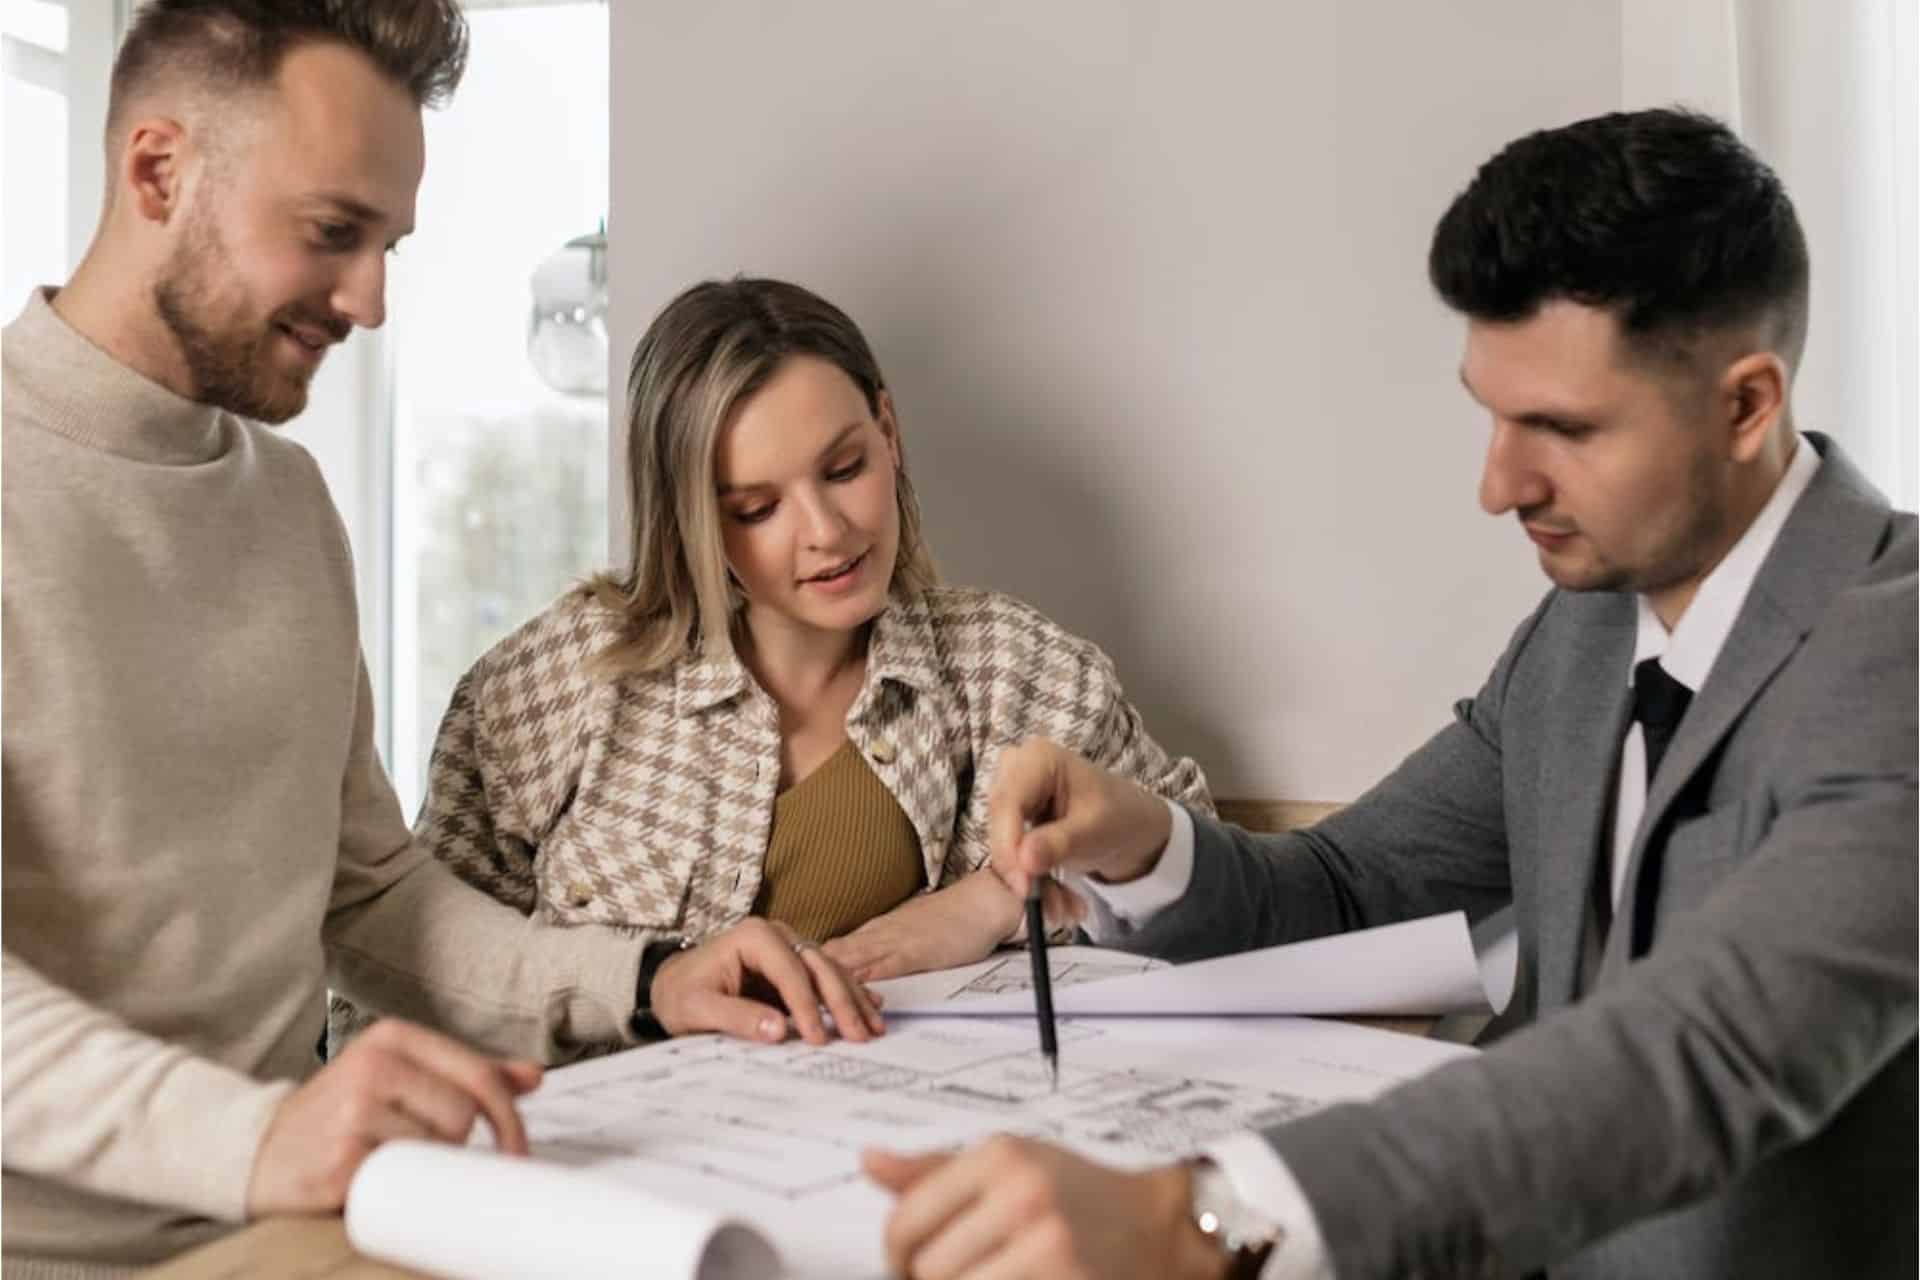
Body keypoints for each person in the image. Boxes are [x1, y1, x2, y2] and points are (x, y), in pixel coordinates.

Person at [868, 108, 1916, 1279]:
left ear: (1745, 404)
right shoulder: (1585, 625)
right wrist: (1142, 843)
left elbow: (1705, 1050)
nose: (1498, 483)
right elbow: (1358, 880)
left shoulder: (1899, 646)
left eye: (1561, 428)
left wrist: (1200, 1217)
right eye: (1492, 411)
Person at [0, 5, 877, 1275]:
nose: (368, 298)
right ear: (157, 171)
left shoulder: (288, 506)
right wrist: (260, 1138)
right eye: (331, 233)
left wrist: (648, 981)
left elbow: (369, 897)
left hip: (310, 1216)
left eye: (388, 244)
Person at [370, 276, 1211, 1006]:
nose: (826, 531)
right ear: (692, 519)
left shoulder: (1014, 672)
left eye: (845, 468)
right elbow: (407, 984)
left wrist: (996, 897)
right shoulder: (555, 686)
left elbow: (1213, 894)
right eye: (757, 510)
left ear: (889, 430)